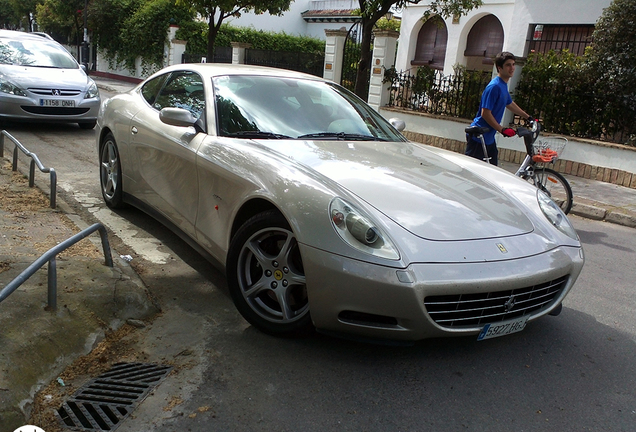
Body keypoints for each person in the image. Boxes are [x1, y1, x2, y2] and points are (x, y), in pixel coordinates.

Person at [465, 51, 532, 166]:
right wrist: (502, 129)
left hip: (489, 138)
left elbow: (509, 103)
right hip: (479, 137)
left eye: (513, 64)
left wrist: (528, 117)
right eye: (508, 65)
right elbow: (485, 113)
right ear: (499, 68)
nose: (512, 68)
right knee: (472, 174)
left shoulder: (502, 85)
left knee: (492, 173)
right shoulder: (494, 86)